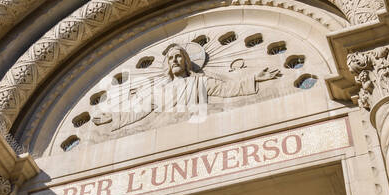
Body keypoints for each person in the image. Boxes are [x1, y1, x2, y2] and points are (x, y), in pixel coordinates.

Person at [93, 42, 281, 132]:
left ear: (186, 61)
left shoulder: (199, 82)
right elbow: (138, 112)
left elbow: (227, 89)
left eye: (178, 57)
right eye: (171, 58)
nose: (174, 60)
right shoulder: (160, 91)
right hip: (164, 127)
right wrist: (113, 116)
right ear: (167, 63)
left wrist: (255, 78)